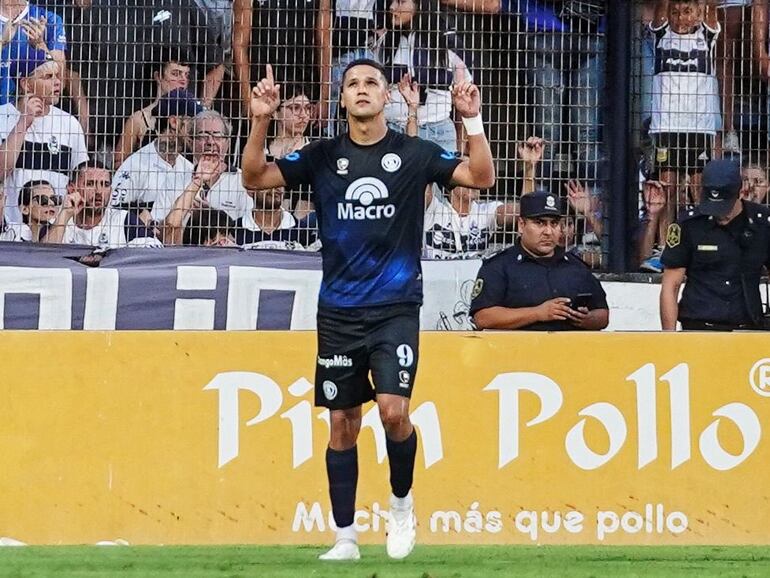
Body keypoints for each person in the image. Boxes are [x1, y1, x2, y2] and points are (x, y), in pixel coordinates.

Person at [242, 59, 494, 560]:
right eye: (352, 83)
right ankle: (345, 537)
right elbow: (253, 178)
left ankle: (401, 505)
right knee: (343, 424)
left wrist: (473, 120)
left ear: (387, 98)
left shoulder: (414, 153)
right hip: (338, 310)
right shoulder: (321, 156)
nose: (361, 90)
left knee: (394, 411)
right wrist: (260, 120)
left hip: (395, 306)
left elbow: (480, 177)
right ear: (341, 100)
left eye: (371, 83)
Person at [469, 191, 609, 331]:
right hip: (517, 351)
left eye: (554, 223)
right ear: (521, 225)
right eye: (539, 223)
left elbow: (603, 315)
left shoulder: (576, 267)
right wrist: (538, 313)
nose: (548, 232)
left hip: (568, 350)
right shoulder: (499, 267)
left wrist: (586, 319)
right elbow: (482, 317)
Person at [660, 159, 770, 331]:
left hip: (748, 328)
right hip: (699, 327)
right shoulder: (689, 223)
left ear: (741, 191)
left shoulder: (762, 223)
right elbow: (670, 285)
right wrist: (669, 339)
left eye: (725, 206)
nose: (720, 213)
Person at [649, 0, 721, 236]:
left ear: (699, 13)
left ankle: (704, 240)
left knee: (699, 187)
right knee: (667, 188)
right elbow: (661, 9)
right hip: (667, 126)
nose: (681, 18)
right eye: (676, 12)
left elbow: (711, 5)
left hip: (699, 127)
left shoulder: (707, 36)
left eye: (687, 12)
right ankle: (665, 245)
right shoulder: (662, 35)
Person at [0, 52, 87, 225]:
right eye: (48, 77)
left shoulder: (69, 124)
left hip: (57, 232)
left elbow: (79, 181)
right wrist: (24, 122)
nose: (57, 82)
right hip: (13, 229)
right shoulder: (3, 117)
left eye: (57, 76)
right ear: (26, 84)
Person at [377, 0, 471, 152]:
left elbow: (464, 97)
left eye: (400, 1)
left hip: (438, 131)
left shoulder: (447, 41)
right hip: (393, 129)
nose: (392, 7)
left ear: (420, 5)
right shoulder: (385, 42)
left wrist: (460, 145)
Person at [156, 110, 255, 244]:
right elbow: (161, 233)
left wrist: (211, 216)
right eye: (203, 136)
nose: (210, 142)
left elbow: (248, 234)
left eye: (217, 136)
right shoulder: (174, 179)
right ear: (191, 142)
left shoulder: (242, 181)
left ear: (227, 143)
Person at [111, 89, 205, 225]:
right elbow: (113, 212)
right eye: (193, 123)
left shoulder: (190, 169)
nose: (198, 131)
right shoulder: (135, 165)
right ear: (174, 122)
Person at [42, 160, 162, 248]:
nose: (99, 191)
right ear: (72, 189)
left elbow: (154, 254)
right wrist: (64, 214)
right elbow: (44, 259)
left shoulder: (124, 220)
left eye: (105, 185)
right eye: (90, 184)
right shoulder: (55, 224)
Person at [113, 52, 193, 168]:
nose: (183, 80)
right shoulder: (139, 119)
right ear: (158, 77)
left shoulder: (191, 118)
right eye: (176, 74)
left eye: (186, 75)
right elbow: (118, 163)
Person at [0, 0, 66, 104]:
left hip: (33, 112)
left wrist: (40, 44)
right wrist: (2, 43)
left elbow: (61, 81)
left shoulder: (49, 19)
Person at [234, 186, 318, 250]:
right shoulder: (234, 231)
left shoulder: (302, 231)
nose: (274, 189)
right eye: (267, 184)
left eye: (279, 184)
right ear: (251, 190)